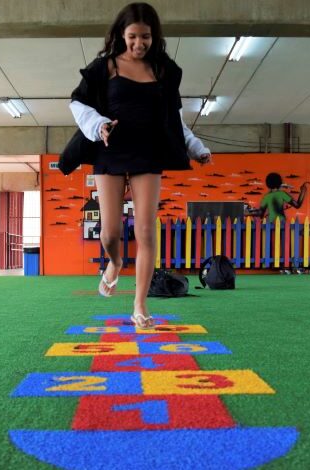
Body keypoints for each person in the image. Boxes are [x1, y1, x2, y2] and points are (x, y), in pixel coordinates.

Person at [68, 2, 211, 328]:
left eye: (145, 37)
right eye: (132, 36)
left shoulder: (161, 70)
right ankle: (115, 263)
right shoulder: (105, 67)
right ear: (122, 34)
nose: (138, 43)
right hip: (110, 149)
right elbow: (77, 102)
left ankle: (140, 304)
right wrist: (98, 125)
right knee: (110, 232)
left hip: (148, 153)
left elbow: (173, 119)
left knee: (147, 229)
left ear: (153, 36)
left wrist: (196, 148)